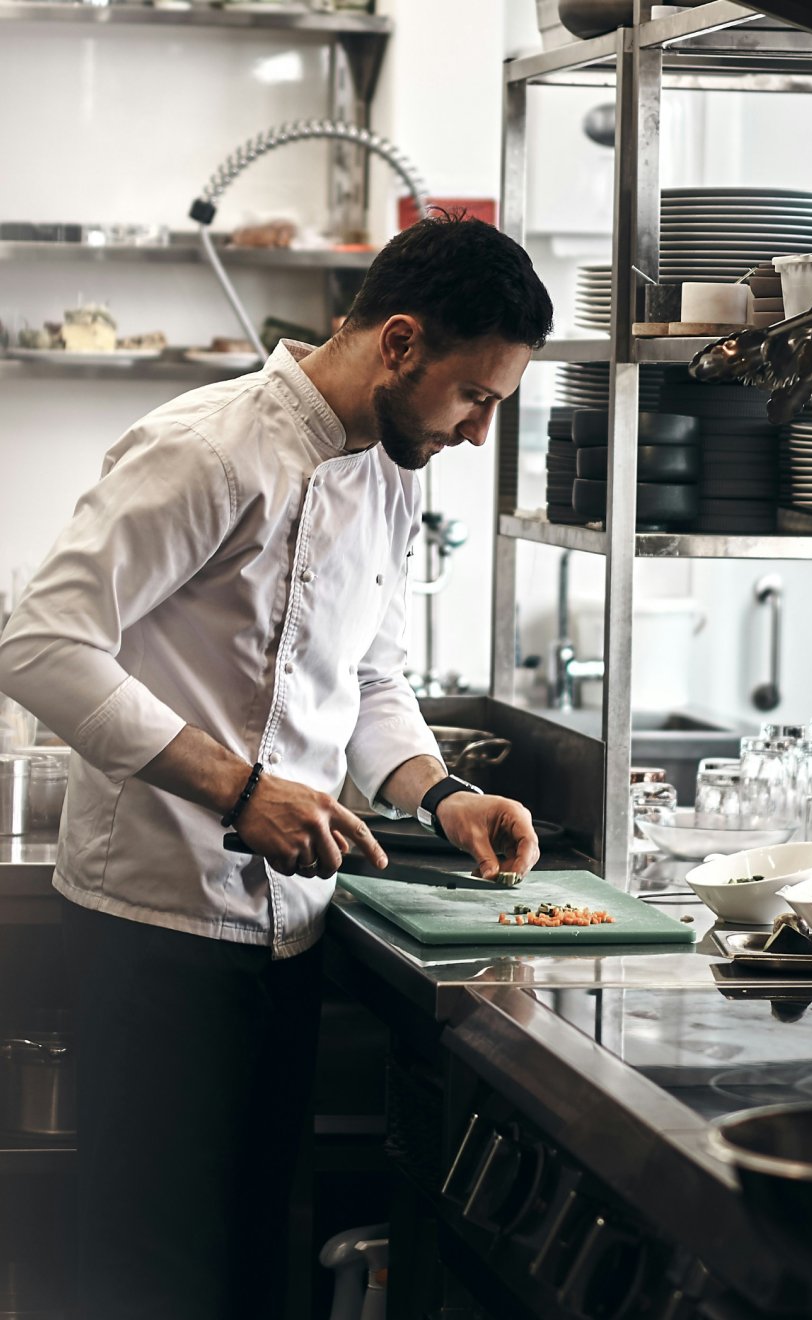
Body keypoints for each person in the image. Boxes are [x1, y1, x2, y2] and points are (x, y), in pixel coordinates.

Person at [0, 212, 554, 1320]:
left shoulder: (394, 470)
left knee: (253, 1271)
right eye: (474, 397)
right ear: (399, 343)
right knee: (148, 1283)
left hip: (292, 934)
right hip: (154, 931)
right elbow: (41, 644)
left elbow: (370, 676)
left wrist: (441, 793)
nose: (478, 432)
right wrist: (239, 791)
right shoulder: (205, 450)